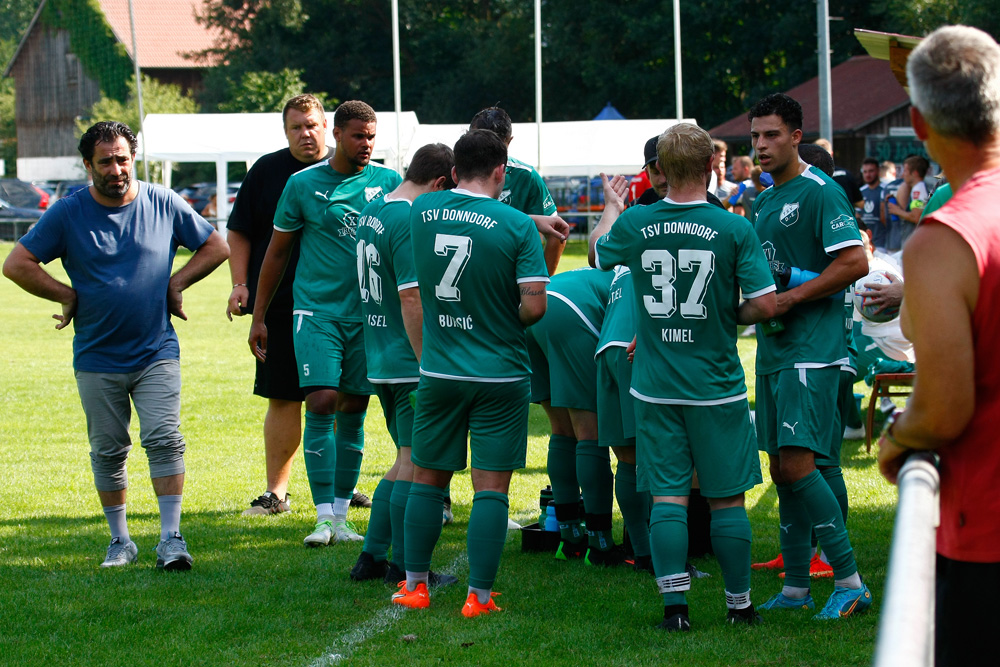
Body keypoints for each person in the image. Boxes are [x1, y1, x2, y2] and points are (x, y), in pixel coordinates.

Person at [2, 121, 229, 569]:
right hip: (96, 356)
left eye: (123, 158)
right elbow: (17, 262)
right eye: (105, 161)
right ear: (88, 165)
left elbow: (216, 246)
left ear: (133, 158)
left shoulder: (162, 201)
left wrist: (176, 282)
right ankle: (120, 541)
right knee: (108, 449)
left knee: (165, 439)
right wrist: (65, 294)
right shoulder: (67, 212)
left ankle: (171, 540)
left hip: (155, 351)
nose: (116, 168)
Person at [589, 123, 778, 631]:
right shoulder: (734, 227)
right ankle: (739, 606)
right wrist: (727, 315)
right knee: (727, 498)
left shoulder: (639, 221)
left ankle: (675, 610)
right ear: (712, 167)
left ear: (659, 171)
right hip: (715, 384)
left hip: (654, 383)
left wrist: (612, 206)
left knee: (668, 496)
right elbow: (762, 303)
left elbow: (596, 250)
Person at [876, 26, 1000, 667]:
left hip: (986, 528)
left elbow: (944, 408)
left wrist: (896, 440)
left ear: (918, 125)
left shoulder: (945, 239)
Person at [390, 129, 548, 617]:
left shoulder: (422, 212)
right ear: (501, 171)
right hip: (500, 372)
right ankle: (478, 596)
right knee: (491, 488)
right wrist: (503, 315)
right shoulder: (519, 225)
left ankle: (414, 586)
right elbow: (535, 306)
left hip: (439, 369)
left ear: (454, 172)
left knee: (427, 479)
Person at [250, 100, 402, 547]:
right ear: (337, 134)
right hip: (315, 312)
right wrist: (259, 315)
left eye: (371, 137)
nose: (366, 145)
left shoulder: (390, 183)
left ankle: (340, 516)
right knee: (320, 400)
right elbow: (276, 253)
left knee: (354, 408)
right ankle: (321, 517)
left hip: (368, 314)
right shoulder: (302, 185)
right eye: (358, 136)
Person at [748, 93, 873, 619]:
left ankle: (850, 582)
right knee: (781, 468)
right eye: (755, 137)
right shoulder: (764, 200)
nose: (760, 146)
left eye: (771, 135)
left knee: (801, 464)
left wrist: (793, 296)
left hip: (811, 349)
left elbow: (856, 262)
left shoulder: (820, 193)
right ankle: (796, 588)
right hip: (776, 346)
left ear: (797, 137)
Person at [349, 143, 459, 584]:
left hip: (379, 353)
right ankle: (405, 565)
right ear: (437, 184)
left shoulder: (372, 211)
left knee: (403, 458)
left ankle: (372, 556)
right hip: (407, 359)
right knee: (416, 463)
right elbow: (411, 296)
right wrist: (426, 360)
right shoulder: (409, 218)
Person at [225, 94, 332, 517]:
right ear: (285, 131)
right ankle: (277, 493)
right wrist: (240, 284)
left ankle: (341, 486)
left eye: (312, 124)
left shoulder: (351, 172)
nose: (305, 133)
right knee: (284, 396)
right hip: (280, 304)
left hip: (337, 305)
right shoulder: (266, 172)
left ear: (328, 127)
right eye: (296, 127)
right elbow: (240, 232)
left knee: (339, 398)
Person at [526, 267, 625, 565]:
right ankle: (600, 543)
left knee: (561, 430)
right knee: (590, 434)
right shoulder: (636, 271)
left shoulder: (607, 270)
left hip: (536, 309)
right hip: (570, 312)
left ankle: (570, 539)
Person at [469, 106, 570, 275]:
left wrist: (540, 282)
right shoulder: (455, 172)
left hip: (509, 282)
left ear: (509, 142)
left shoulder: (526, 176)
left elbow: (557, 232)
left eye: (493, 148)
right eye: (478, 144)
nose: (485, 154)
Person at [886, 155, 930, 247]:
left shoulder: (918, 189)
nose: (903, 174)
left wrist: (897, 211)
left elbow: (916, 217)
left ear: (915, 173)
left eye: (905, 170)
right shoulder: (917, 188)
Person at [858, 157, 887, 252]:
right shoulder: (861, 192)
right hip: (865, 244)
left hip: (882, 244)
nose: (867, 175)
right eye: (865, 172)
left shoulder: (885, 190)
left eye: (871, 171)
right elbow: (858, 217)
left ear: (878, 171)